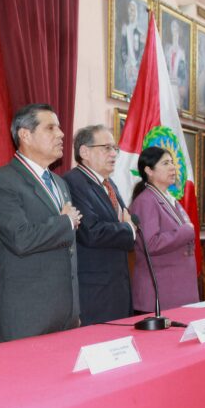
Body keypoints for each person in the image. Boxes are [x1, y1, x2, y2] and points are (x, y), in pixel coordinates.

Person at [0, 104, 82, 341]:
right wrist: (65, 222)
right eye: (51, 128)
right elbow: (20, 238)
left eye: (59, 128)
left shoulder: (60, 183)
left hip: (67, 314)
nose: (61, 134)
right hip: (29, 314)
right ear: (25, 135)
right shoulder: (0, 181)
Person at [63, 125, 135, 325]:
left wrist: (129, 227)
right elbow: (91, 232)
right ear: (84, 151)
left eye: (115, 149)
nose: (113, 154)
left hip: (117, 287)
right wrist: (128, 229)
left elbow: (125, 221)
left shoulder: (109, 184)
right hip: (94, 292)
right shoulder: (73, 182)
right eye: (106, 148)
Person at [130, 146, 198, 313]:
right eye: (166, 163)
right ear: (149, 170)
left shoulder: (169, 199)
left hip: (177, 289)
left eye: (172, 163)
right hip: (160, 293)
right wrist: (185, 232)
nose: (173, 167)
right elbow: (150, 244)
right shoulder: (146, 201)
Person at [119, 0, 144, 94]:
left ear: (136, 12)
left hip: (136, 70)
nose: (131, 12)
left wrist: (136, 67)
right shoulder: (125, 30)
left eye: (133, 10)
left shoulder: (140, 32)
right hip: (127, 68)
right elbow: (123, 50)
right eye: (130, 9)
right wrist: (128, 65)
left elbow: (142, 53)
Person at [165, 19, 188, 111]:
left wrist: (180, 85)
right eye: (172, 27)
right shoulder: (168, 50)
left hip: (176, 86)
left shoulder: (181, 53)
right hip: (168, 85)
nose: (174, 30)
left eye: (176, 27)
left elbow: (182, 74)